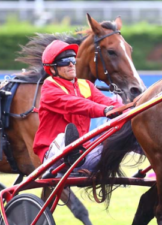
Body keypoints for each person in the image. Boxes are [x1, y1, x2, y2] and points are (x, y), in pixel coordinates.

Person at [33, 40, 122, 176]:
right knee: (64, 137)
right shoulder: (49, 86)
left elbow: (109, 102)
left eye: (72, 59)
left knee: (122, 139)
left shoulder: (85, 85)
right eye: (64, 61)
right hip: (52, 155)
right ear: (52, 69)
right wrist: (105, 110)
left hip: (83, 153)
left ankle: (160, 155)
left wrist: (127, 111)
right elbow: (75, 104)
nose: (70, 64)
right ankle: (71, 155)